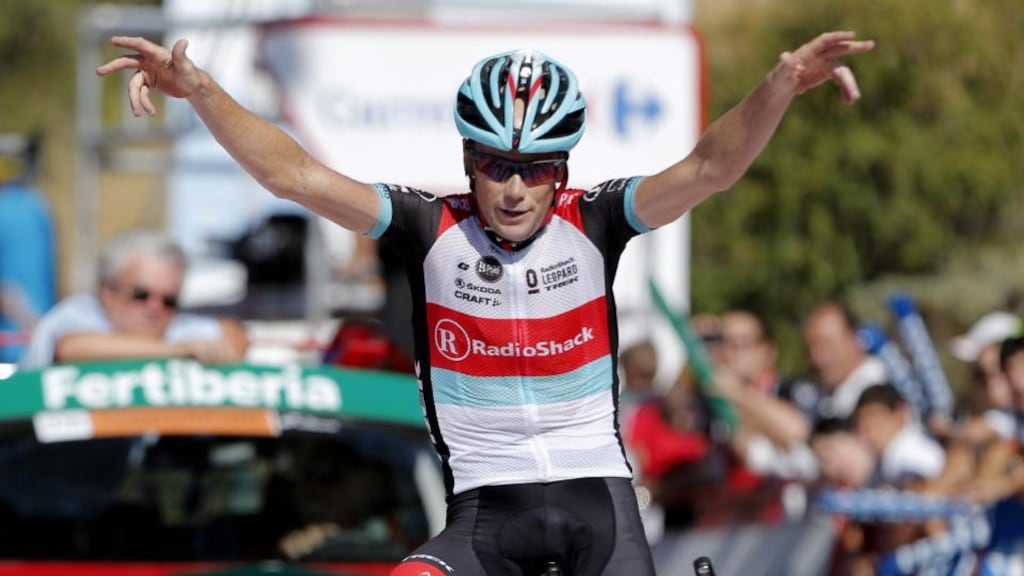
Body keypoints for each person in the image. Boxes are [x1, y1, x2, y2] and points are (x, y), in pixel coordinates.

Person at [97, 31, 874, 575]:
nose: (513, 187)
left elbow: (708, 167)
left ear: (561, 168)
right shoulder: (425, 227)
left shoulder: (595, 222)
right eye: (495, 163)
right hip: (485, 517)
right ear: (468, 159)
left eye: (534, 169)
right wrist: (198, 88)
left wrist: (777, 88)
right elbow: (293, 176)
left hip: (599, 510)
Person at [19, 229, 248, 369]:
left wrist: (211, 346)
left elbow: (234, 337)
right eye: (141, 295)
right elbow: (72, 349)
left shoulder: (175, 334)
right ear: (106, 293)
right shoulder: (76, 313)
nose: (155, 307)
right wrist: (179, 352)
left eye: (169, 300)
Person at [802, 301, 887, 421]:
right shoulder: (830, 394)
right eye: (811, 348)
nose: (817, 358)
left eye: (826, 344)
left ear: (854, 338)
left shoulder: (878, 386)